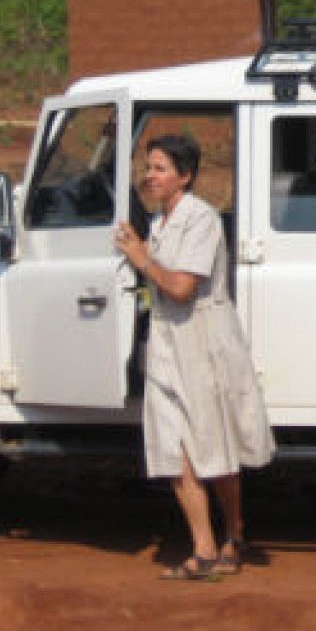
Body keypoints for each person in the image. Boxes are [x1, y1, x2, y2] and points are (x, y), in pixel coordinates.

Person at [114, 134, 275, 581]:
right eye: (148, 167)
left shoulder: (200, 219)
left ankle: (235, 533)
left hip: (202, 341)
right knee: (174, 447)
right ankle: (204, 547)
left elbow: (183, 287)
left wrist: (142, 259)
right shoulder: (160, 222)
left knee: (213, 443)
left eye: (160, 168)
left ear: (184, 176)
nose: (150, 175)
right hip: (168, 343)